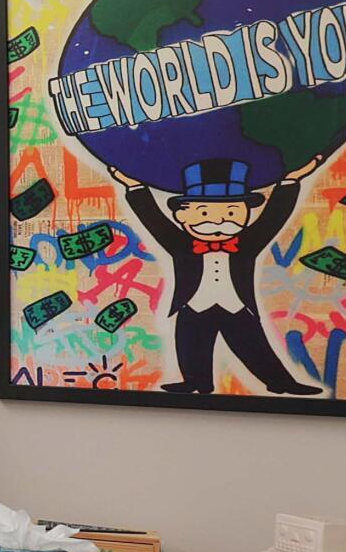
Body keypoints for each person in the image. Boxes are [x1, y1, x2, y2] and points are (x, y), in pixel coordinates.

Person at [109, 155, 323, 397]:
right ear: (181, 216)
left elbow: (273, 218)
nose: (219, 220)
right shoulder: (180, 245)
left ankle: (281, 382)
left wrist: (291, 182)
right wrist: (134, 186)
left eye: (232, 212)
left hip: (237, 307)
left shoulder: (248, 244)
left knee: (255, 348)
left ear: (245, 214)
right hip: (193, 305)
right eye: (203, 213)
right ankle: (195, 382)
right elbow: (153, 220)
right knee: (190, 346)